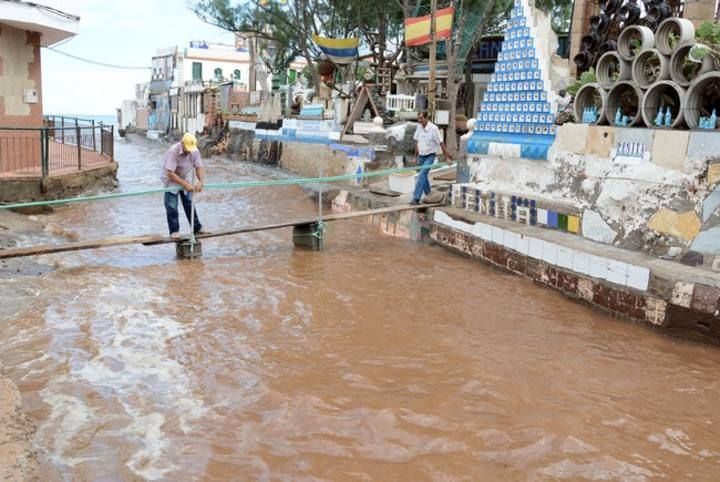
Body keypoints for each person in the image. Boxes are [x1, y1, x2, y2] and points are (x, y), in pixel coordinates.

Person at [161, 133, 207, 238]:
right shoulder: (173, 151)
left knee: (190, 203)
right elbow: (170, 173)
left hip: (184, 176)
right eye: (187, 148)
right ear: (182, 143)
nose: (190, 150)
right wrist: (185, 184)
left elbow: (199, 166)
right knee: (171, 205)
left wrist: (201, 181)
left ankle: (197, 228)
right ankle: (174, 231)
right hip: (170, 179)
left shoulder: (194, 150)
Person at [411, 111, 452, 205]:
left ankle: (416, 198)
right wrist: (415, 156)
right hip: (421, 155)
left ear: (426, 118)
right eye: (419, 118)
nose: (419, 120)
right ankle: (429, 193)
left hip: (430, 156)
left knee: (421, 175)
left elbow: (441, 143)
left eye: (421, 118)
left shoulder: (434, 129)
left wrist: (447, 158)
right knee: (423, 176)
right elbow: (417, 142)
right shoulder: (419, 127)